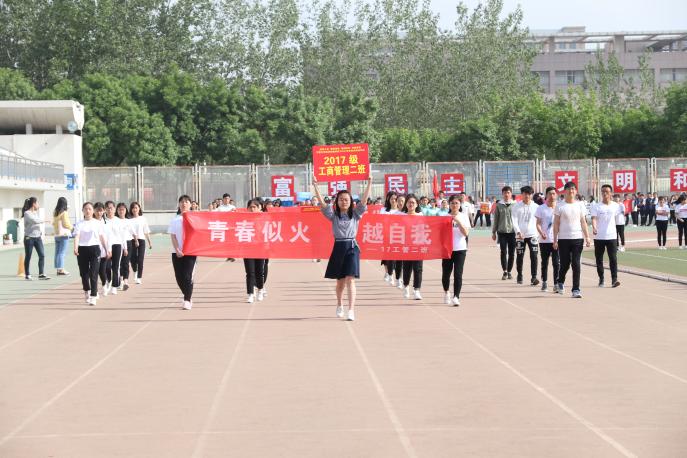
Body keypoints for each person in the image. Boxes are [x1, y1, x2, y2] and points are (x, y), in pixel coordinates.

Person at [312, 174, 373, 321]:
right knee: (340, 282)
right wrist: (315, 185)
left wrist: (370, 182)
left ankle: (351, 310)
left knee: (350, 279)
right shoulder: (333, 215)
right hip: (339, 247)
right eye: (341, 199)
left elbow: (364, 201)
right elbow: (323, 204)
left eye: (346, 199)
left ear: (351, 202)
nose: (344, 201)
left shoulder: (356, 214)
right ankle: (339, 304)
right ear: (337, 201)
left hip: (352, 247)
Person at [553, 181, 591, 298]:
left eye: (573, 189)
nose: (571, 191)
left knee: (576, 263)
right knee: (565, 264)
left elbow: (583, 222)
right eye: (569, 189)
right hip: (564, 239)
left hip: (577, 238)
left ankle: (576, 289)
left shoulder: (580, 205)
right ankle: (560, 281)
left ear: (576, 191)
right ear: (565, 191)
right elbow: (556, 223)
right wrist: (555, 239)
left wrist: (587, 237)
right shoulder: (560, 205)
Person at [74, 202, 109, 306]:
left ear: (93, 211)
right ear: (83, 211)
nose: (88, 211)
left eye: (89, 209)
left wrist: (106, 249)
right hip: (82, 249)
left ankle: (93, 296)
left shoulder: (97, 223)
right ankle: (87, 290)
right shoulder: (79, 224)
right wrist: (75, 247)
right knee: (84, 274)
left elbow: (102, 237)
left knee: (94, 273)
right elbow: (77, 236)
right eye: (85, 209)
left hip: (95, 249)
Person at [169, 195, 197, 310]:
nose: (184, 203)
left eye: (186, 201)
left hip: (191, 252)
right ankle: (187, 294)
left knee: (187, 276)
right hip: (176, 252)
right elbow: (173, 236)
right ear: (179, 204)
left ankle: (187, 300)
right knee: (179, 277)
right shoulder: (175, 219)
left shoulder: (195, 218)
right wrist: (177, 249)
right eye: (181, 202)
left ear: (190, 204)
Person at [590, 185, 621, 288]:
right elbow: (594, 218)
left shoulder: (615, 206)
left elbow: (617, 219)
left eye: (607, 191)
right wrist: (594, 227)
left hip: (612, 236)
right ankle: (601, 279)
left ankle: (614, 279)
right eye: (603, 191)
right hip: (599, 237)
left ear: (611, 193)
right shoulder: (596, 206)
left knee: (613, 258)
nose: (605, 193)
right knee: (599, 259)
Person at [442, 195, 470, 306]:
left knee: (458, 274)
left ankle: (456, 297)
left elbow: (466, 233)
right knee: (446, 274)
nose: (454, 205)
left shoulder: (463, 216)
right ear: (449, 204)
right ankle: (446, 292)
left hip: (460, 249)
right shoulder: (444, 217)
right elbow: (440, 233)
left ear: (460, 205)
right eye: (452, 203)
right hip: (447, 249)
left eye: (456, 203)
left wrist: (458, 222)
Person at [511, 185, 539, 286]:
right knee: (520, 256)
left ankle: (534, 277)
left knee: (534, 256)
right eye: (525, 194)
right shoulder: (516, 206)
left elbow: (539, 221)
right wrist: (518, 232)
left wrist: (539, 232)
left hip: (533, 235)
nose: (527, 196)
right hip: (520, 235)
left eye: (529, 194)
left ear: (531, 195)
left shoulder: (536, 207)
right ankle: (519, 275)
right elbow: (514, 220)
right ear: (521, 194)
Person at [535, 186, 559, 292]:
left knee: (556, 263)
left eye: (554, 194)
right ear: (546, 195)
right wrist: (541, 233)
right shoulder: (541, 208)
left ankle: (556, 284)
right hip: (544, 240)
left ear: (556, 195)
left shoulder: (559, 207)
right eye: (550, 194)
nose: (552, 196)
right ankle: (544, 282)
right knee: (544, 262)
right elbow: (538, 224)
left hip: (556, 240)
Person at [243, 199, 267, 303]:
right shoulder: (243, 219)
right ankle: (250, 294)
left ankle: (260, 290)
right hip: (248, 248)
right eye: (250, 207)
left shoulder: (264, 218)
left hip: (261, 248)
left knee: (259, 272)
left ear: (259, 208)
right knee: (249, 272)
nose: (252, 209)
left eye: (254, 207)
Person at [401, 194, 424, 300]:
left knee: (418, 268)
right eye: (409, 202)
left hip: (418, 245)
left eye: (413, 202)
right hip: (406, 246)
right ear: (406, 204)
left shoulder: (421, 216)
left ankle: (416, 290)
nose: (411, 204)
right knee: (406, 268)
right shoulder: (402, 216)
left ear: (417, 204)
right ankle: (406, 286)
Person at [22, 197, 50, 280]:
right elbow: (34, 221)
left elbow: (37, 222)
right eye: (37, 203)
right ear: (34, 204)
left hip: (38, 238)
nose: (38, 205)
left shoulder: (35, 213)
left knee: (42, 255)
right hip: (29, 238)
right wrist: (45, 220)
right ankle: (27, 274)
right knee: (28, 256)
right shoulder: (27, 213)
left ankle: (41, 274)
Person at [492, 186, 516, 280]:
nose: (506, 194)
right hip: (502, 232)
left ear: (511, 194)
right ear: (502, 194)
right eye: (505, 193)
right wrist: (494, 232)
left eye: (508, 192)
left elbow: (518, 219)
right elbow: (496, 219)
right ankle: (505, 271)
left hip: (513, 232)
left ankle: (509, 271)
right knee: (503, 251)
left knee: (512, 253)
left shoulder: (515, 205)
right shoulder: (499, 205)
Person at [104, 201, 126, 295]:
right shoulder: (103, 221)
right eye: (108, 208)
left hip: (117, 245)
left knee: (116, 267)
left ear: (114, 209)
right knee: (107, 267)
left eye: (111, 208)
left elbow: (123, 235)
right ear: (105, 209)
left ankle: (114, 286)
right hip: (106, 246)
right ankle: (109, 281)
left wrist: (125, 248)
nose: (109, 210)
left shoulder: (118, 221)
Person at [380, 191, 402, 286]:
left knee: (398, 258)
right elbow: (380, 221)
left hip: (398, 236)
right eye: (392, 198)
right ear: (388, 199)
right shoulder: (384, 210)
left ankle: (398, 277)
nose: (393, 200)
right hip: (387, 236)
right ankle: (390, 274)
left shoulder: (401, 211)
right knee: (388, 256)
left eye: (395, 199)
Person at [128, 201, 152, 284]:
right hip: (131, 240)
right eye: (133, 208)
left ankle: (139, 278)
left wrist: (150, 242)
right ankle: (135, 271)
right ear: (131, 209)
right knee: (132, 259)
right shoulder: (129, 220)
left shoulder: (143, 219)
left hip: (141, 240)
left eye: (136, 208)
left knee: (140, 260)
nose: (134, 209)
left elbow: (146, 231)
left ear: (139, 209)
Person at [52, 197, 73, 276]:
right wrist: (72, 228)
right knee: (62, 253)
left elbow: (54, 223)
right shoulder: (64, 213)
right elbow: (66, 224)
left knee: (57, 252)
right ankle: (61, 269)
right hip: (64, 235)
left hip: (57, 234)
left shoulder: (55, 212)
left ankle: (58, 269)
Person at [116, 203, 133, 290]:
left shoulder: (129, 221)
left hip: (128, 243)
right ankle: (121, 280)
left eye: (123, 209)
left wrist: (136, 240)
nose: (121, 211)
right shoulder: (115, 221)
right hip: (118, 244)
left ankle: (125, 281)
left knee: (125, 262)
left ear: (126, 210)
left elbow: (132, 232)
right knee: (119, 263)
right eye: (119, 209)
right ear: (117, 210)